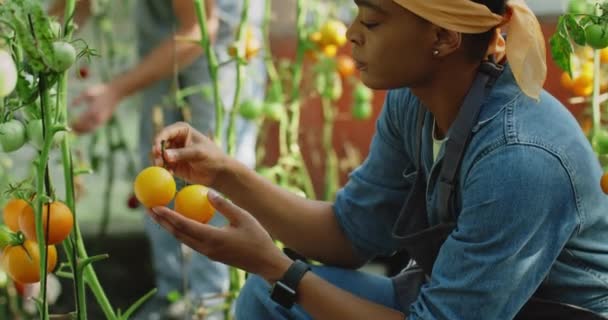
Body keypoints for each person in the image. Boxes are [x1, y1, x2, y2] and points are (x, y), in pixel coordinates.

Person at [145, 0, 608, 319]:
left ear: (444, 36)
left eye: (372, 22)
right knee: (270, 300)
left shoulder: (521, 159)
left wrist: (278, 267)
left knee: (281, 288)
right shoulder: (415, 102)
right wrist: (224, 172)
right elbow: (347, 235)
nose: (350, 34)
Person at [50, 0, 266, 319]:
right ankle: (172, 298)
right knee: (157, 176)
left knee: (215, 189)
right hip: (165, 53)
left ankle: (213, 305)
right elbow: (75, 5)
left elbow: (197, 31)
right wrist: (32, 45)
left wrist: (115, 90)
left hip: (217, 61)